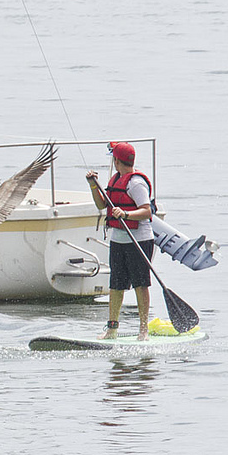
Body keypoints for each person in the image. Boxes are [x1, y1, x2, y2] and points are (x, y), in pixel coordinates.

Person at [86, 142, 154, 341]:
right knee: (116, 285)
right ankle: (112, 329)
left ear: (117, 160)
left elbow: (147, 211)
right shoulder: (115, 180)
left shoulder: (136, 183)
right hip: (118, 240)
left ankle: (143, 330)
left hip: (139, 240)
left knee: (141, 285)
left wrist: (126, 213)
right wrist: (92, 185)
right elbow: (101, 204)